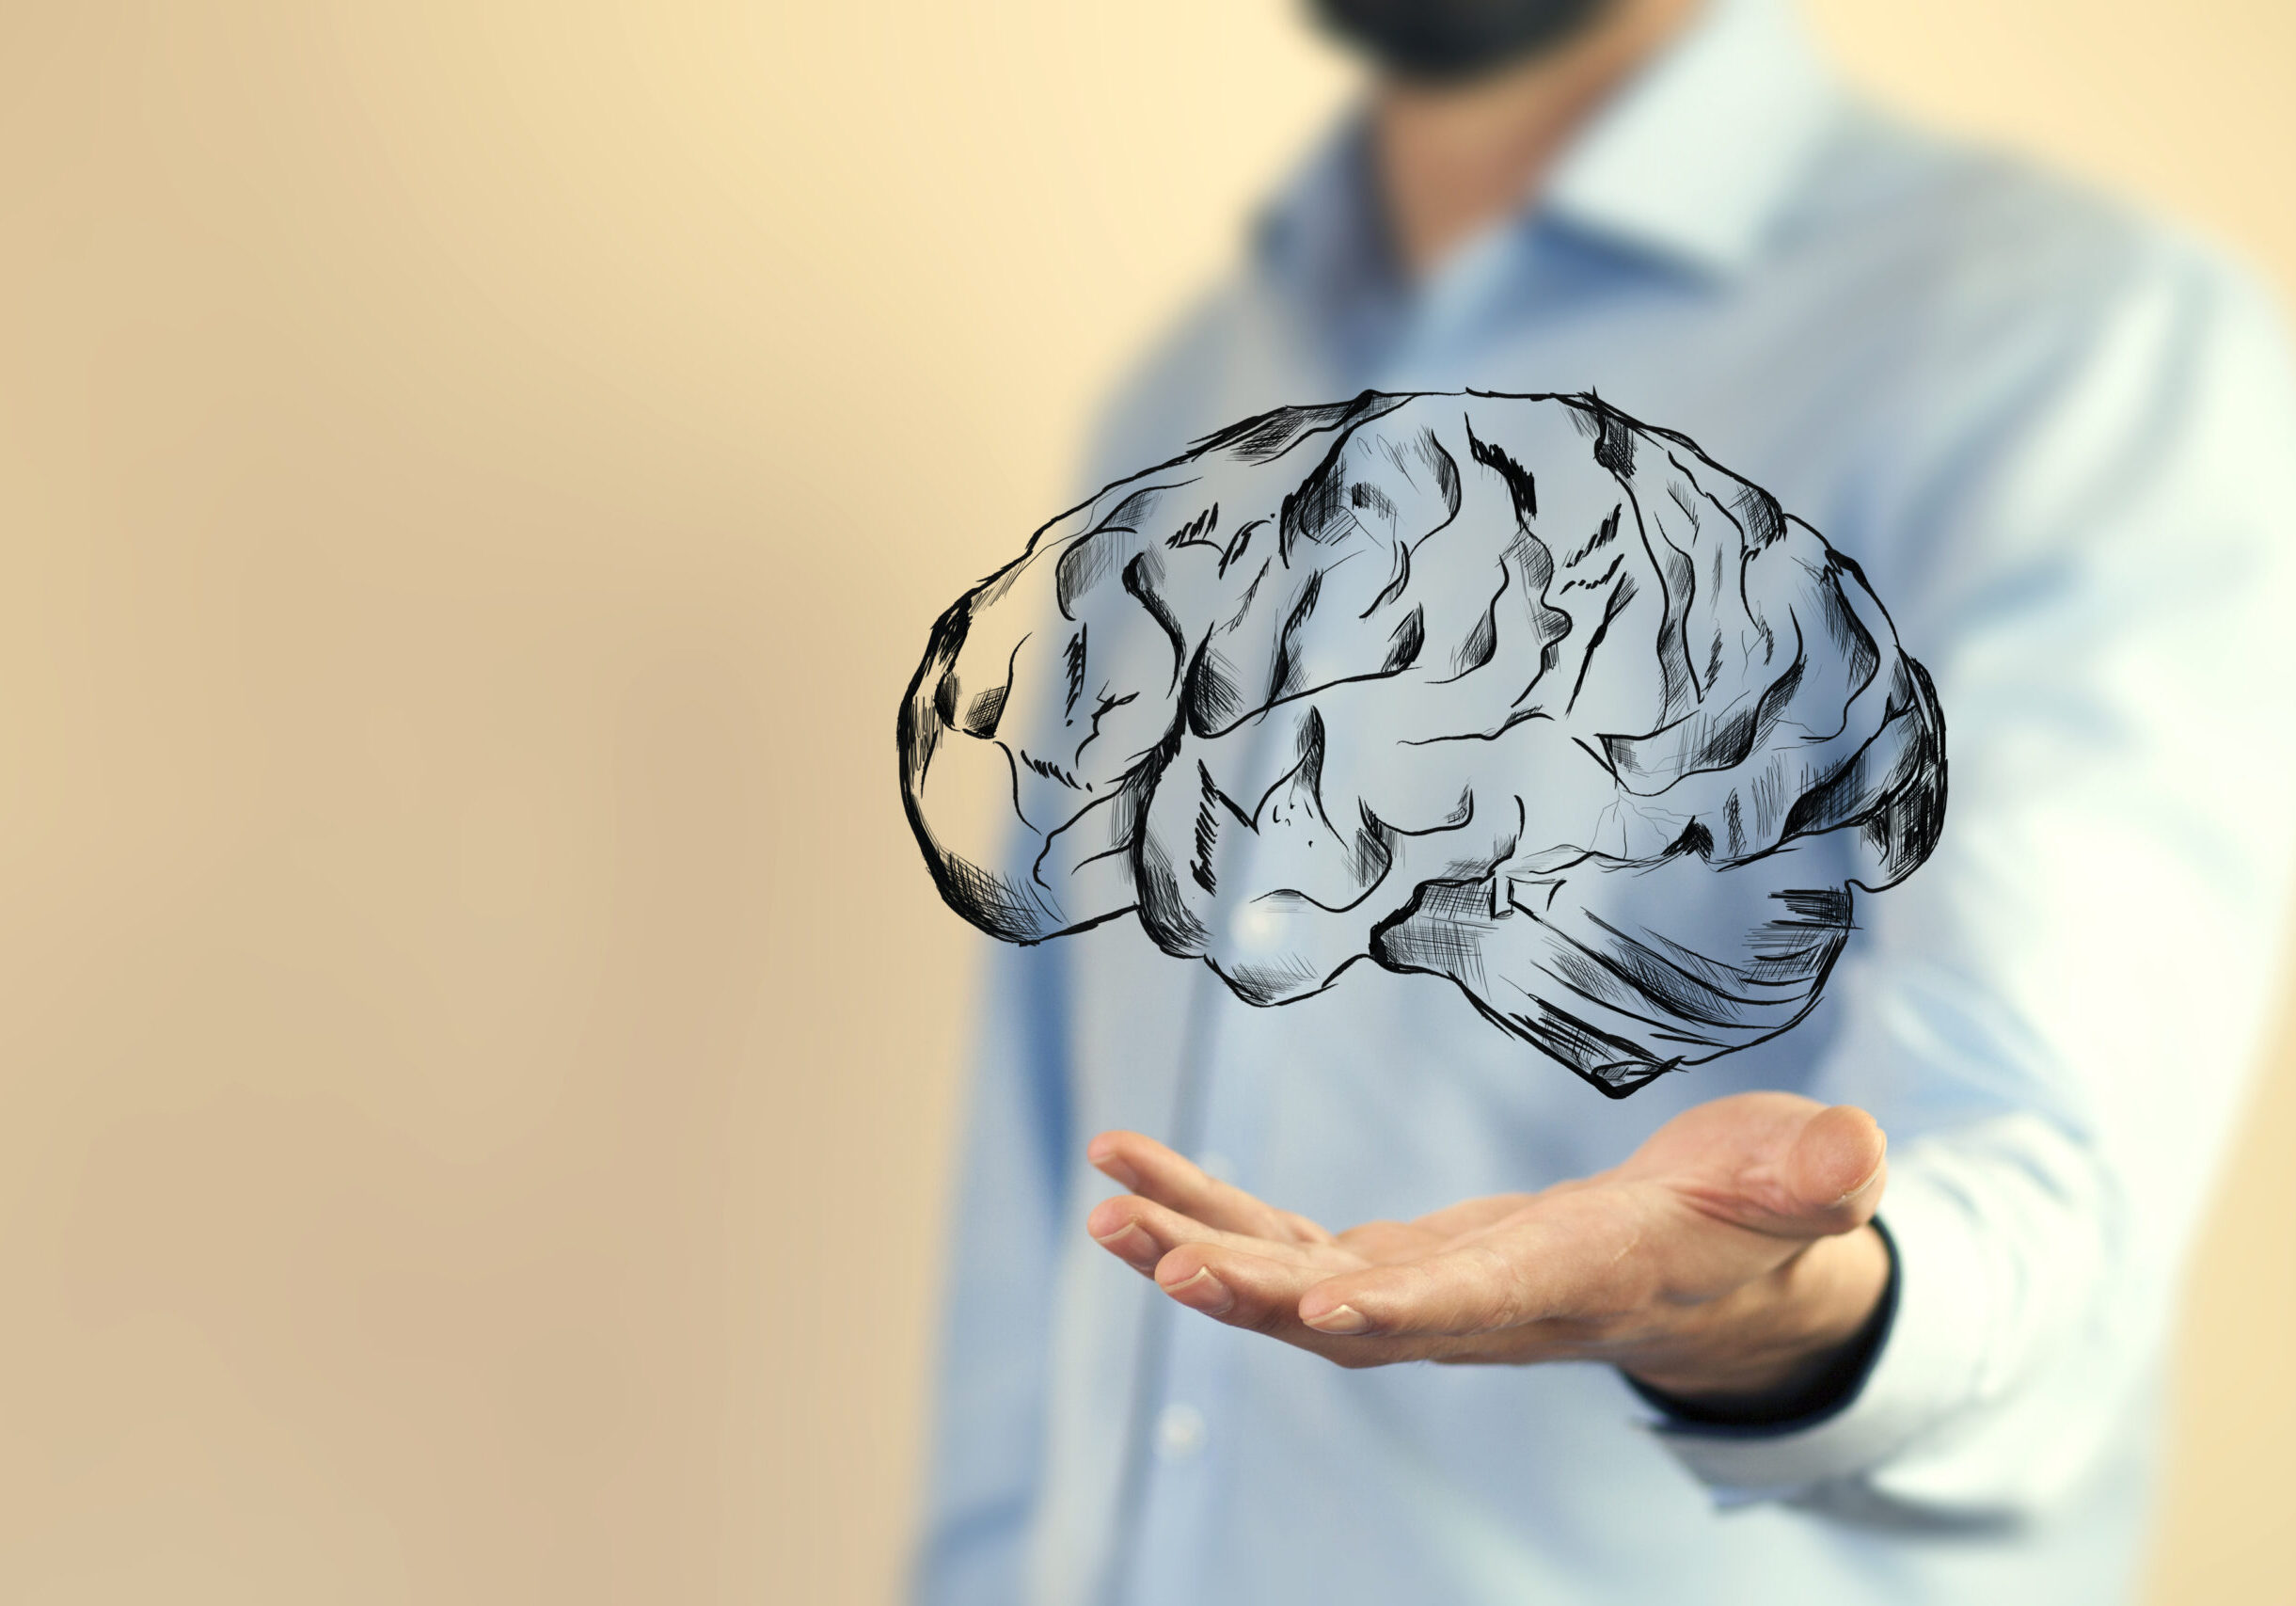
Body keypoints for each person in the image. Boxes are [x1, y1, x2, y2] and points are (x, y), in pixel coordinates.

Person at [913, 0, 2296, 1600]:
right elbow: (1032, 1247)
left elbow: (2046, 1200)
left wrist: (1770, 1311)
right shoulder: (1192, 376)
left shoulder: (2068, 340)